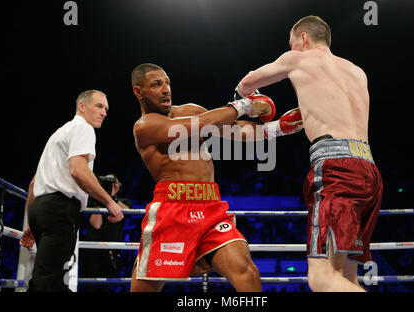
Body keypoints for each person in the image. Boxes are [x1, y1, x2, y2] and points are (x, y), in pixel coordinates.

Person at [236, 16, 383, 292]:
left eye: (291, 42)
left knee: (322, 279)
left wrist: (253, 102)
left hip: (337, 168)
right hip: (369, 171)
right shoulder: (356, 71)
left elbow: (246, 83)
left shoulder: (297, 59)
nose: (290, 48)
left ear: (303, 38)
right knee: (345, 277)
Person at [129, 63, 303, 292]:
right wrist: (246, 104)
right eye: (156, 84)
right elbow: (200, 124)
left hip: (210, 208)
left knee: (247, 273)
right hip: (172, 211)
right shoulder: (144, 126)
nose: (166, 89)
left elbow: (236, 130)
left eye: (167, 82)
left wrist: (278, 128)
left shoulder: (191, 109)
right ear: (138, 92)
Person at [19, 90, 124, 292]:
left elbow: (34, 183)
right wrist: (109, 202)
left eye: (106, 109)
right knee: (47, 281)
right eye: (99, 106)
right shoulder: (83, 128)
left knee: (53, 278)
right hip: (59, 209)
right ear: (81, 106)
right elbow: (78, 169)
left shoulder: (59, 133)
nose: (104, 113)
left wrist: (32, 225)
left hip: (41, 209)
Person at [80, 174, 132, 292]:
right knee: (90, 286)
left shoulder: (123, 202)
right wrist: (101, 199)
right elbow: (96, 224)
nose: (109, 186)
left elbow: (127, 212)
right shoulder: (95, 201)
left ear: (118, 186)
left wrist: (113, 198)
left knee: (107, 287)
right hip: (94, 250)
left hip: (111, 250)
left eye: (112, 183)